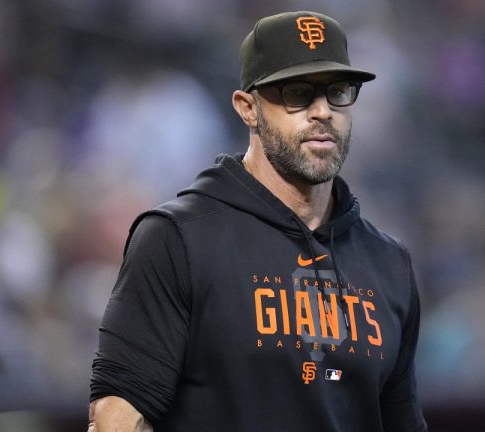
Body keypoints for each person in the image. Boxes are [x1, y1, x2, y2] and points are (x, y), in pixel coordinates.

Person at [88, 10, 428, 432]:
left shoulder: (388, 263)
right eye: (299, 93)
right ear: (247, 108)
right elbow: (117, 417)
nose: (322, 111)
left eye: (338, 92)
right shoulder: (179, 240)